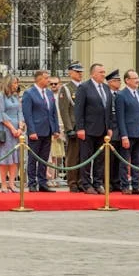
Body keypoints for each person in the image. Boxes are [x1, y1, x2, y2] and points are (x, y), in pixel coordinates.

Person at [74, 63, 115, 195]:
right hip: (88, 129)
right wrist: (80, 128)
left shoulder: (106, 88)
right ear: (93, 74)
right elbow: (78, 110)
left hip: (103, 129)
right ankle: (86, 184)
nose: (103, 74)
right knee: (86, 158)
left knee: (100, 158)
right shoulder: (84, 87)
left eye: (104, 72)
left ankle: (98, 183)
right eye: (101, 72)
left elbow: (109, 110)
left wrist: (109, 127)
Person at [21, 70, 59, 193]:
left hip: (48, 130)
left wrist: (56, 129)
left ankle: (43, 182)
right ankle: (32, 183)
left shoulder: (49, 93)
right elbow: (28, 114)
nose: (49, 81)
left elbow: (53, 112)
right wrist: (31, 130)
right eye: (46, 78)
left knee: (44, 158)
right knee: (33, 158)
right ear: (39, 79)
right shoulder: (29, 93)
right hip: (35, 131)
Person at [116, 69, 139, 195]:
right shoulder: (121, 95)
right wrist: (124, 135)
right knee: (125, 160)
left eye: (138, 78)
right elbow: (120, 117)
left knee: (138, 160)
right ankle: (125, 185)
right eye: (134, 78)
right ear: (127, 80)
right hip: (128, 133)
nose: (138, 80)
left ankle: (136, 185)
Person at [57, 62, 84, 192]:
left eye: (81, 72)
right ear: (70, 73)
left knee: (83, 156)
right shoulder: (66, 89)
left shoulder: (84, 87)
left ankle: (81, 181)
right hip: (73, 126)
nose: (80, 74)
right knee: (73, 156)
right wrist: (69, 129)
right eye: (77, 72)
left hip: (84, 127)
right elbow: (64, 110)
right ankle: (72, 182)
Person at [0, 75, 23, 193]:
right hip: (6, 129)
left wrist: (21, 126)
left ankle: (12, 183)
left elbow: (20, 112)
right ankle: (3, 184)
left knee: (15, 157)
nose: (16, 85)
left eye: (17, 83)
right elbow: (1, 114)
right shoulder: (0, 96)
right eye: (14, 83)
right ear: (8, 83)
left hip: (17, 129)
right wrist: (12, 128)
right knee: (5, 156)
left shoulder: (16, 96)